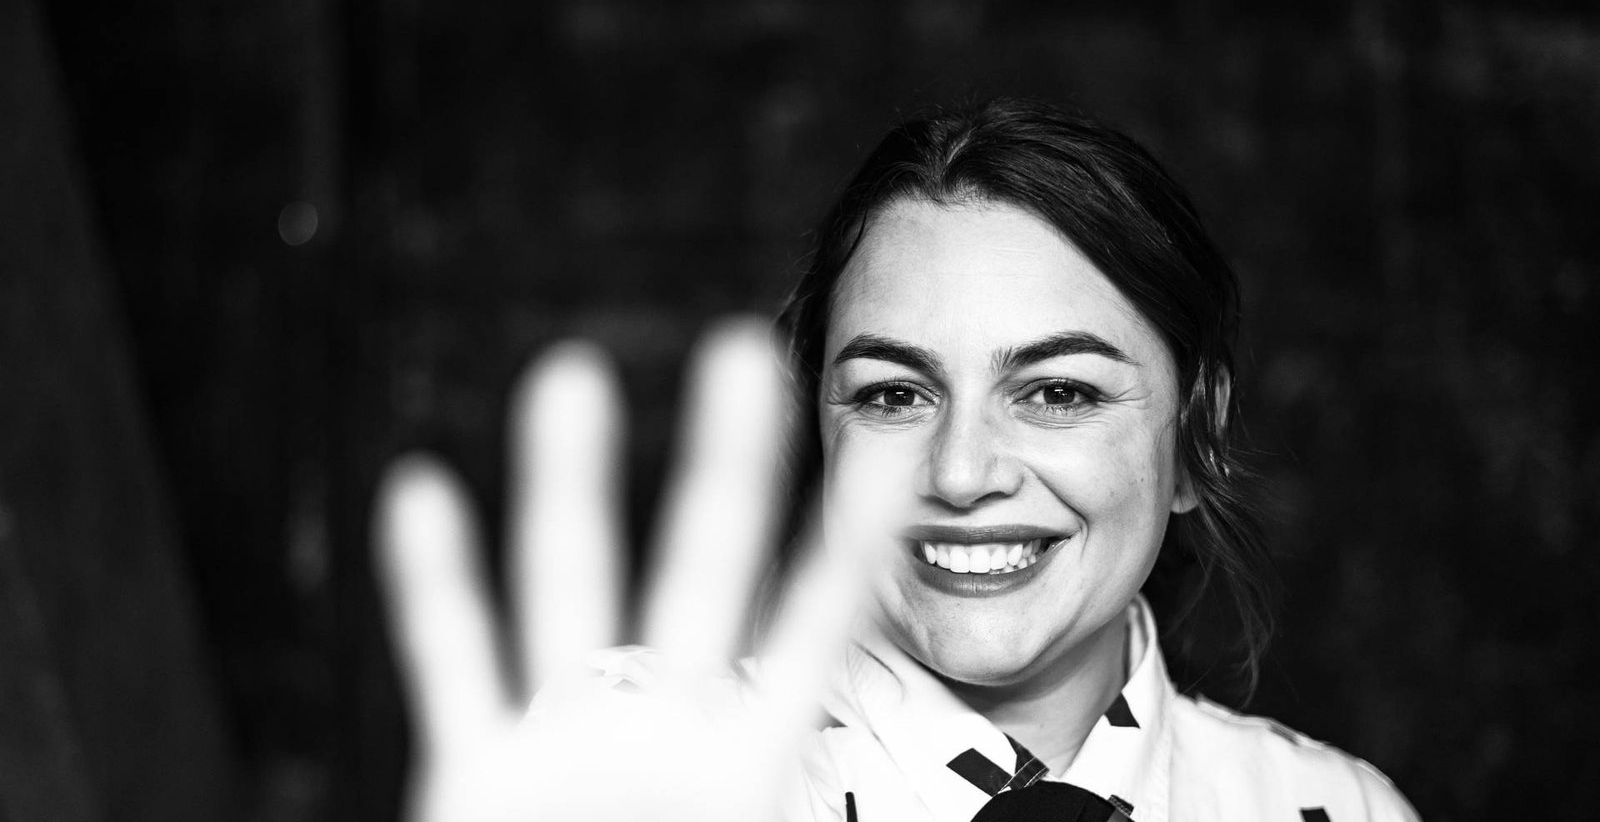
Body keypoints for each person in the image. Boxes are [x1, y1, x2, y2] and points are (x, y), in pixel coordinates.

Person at [373, 98, 1420, 821]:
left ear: (1194, 438)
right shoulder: (643, 764)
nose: (961, 473)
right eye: (893, 395)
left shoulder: (1339, 809)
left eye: (1057, 392)